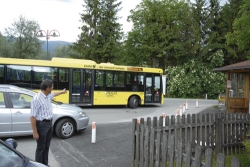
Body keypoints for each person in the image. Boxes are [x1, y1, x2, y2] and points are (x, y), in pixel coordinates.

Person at [30, 79, 67, 166]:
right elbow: (32, 117)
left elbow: (54, 94)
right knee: (40, 148)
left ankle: (45, 164)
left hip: (49, 124)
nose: (53, 88)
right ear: (47, 88)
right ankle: (39, 165)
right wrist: (35, 132)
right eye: (52, 87)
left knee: (46, 147)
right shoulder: (37, 99)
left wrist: (62, 92)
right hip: (41, 125)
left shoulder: (48, 95)